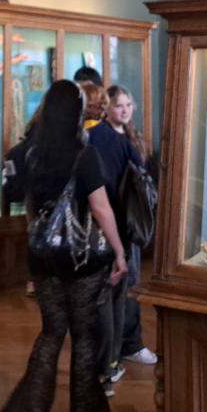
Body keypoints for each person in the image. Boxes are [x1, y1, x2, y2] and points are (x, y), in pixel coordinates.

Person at [2, 80, 127, 412]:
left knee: (51, 331)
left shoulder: (30, 154)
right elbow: (100, 209)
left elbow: (26, 206)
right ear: (76, 113)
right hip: (82, 257)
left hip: (43, 258)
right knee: (84, 335)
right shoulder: (85, 155)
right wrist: (119, 252)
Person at [87, 84, 154, 395]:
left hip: (120, 221)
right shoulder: (106, 138)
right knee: (119, 290)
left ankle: (120, 351)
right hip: (116, 223)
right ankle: (113, 358)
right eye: (119, 105)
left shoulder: (123, 136)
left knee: (122, 290)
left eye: (128, 105)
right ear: (107, 108)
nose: (124, 110)